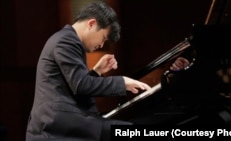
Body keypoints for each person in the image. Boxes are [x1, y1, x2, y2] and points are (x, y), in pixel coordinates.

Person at [25, 1, 189, 141]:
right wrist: (123, 82)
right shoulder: (66, 41)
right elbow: (81, 85)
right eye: (103, 38)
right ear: (91, 24)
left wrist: (96, 72)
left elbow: (74, 87)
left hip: (64, 123)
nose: (102, 45)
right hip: (57, 129)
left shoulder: (67, 39)